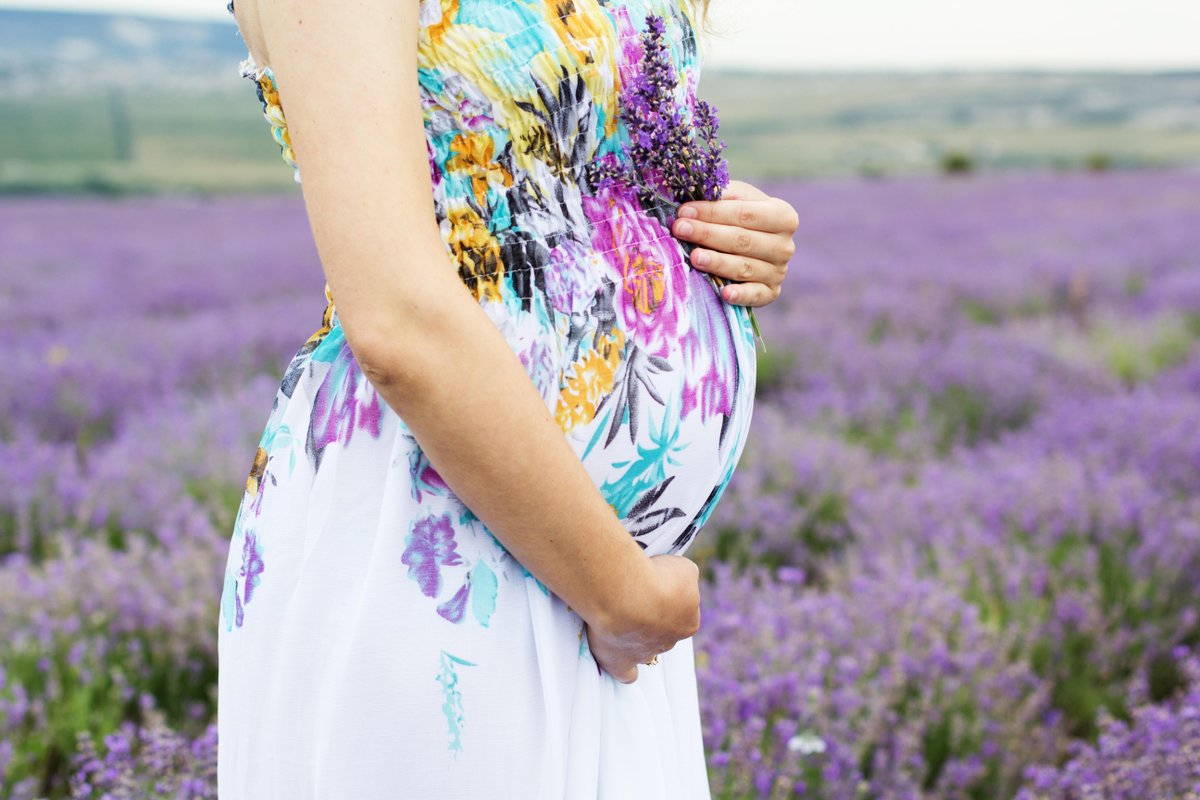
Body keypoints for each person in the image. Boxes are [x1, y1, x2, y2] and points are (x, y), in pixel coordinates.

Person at [217, 0, 798, 796]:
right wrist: (620, 595)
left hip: (605, 588)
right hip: (440, 556)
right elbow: (397, 319)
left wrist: (717, 228)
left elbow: (549, 164)